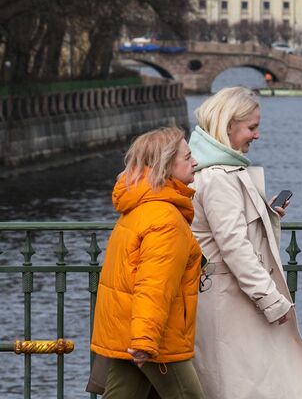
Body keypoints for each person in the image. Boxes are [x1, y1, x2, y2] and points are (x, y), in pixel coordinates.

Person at [188, 88, 302, 399]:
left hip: (227, 298)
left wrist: (266, 213)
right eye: (251, 127)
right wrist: (271, 299)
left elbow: (228, 233)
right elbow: (234, 246)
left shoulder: (213, 169)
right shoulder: (220, 176)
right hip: (231, 302)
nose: (257, 135)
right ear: (228, 125)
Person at [90, 126, 205, 399]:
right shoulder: (165, 217)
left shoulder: (139, 206)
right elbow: (154, 284)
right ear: (166, 164)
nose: (196, 162)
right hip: (157, 338)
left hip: (128, 329)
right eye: (188, 157)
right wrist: (144, 340)